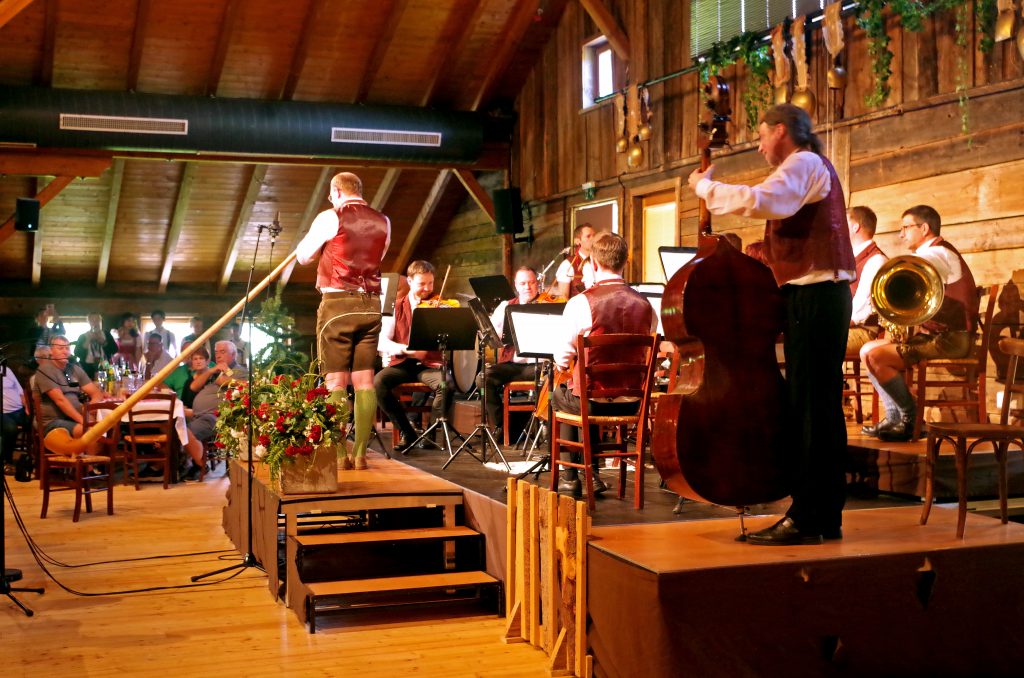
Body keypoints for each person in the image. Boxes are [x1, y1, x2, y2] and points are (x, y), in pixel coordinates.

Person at [688, 103, 855, 545]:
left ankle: (809, 516)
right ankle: (821, 516)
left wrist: (708, 188)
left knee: (812, 409)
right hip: (815, 295)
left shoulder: (802, 162)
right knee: (813, 406)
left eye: (762, 135)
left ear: (782, 130)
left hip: (817, 295)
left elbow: (767, 199)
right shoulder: (807, 166)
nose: (760, 145)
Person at [860, 205, 979, 443]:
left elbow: (926, 264)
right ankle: (893, 417)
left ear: (924, 228)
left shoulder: (939, 254)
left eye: (905, 227)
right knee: (867, 350)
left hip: (952, 339)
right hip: (935, 336)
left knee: (877, 357)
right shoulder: (930, 254)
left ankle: (911, 419)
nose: (901, 234)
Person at [296, 171, 391, 470]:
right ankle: (361, 454)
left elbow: (303, 257)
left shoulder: (330, 216)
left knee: (335, 380)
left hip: (338, 305)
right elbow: (379, 256)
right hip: (371, 304)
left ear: (336, 191)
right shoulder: (383, 221)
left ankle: (339, 455)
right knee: (364, 381)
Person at [551, 233, 657, 498]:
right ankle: (592, 473)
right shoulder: (646, 306)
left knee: (560, 394)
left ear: (594, 264)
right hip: (632, 402)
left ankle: (571, 477)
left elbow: (561, 358)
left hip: (591, 401)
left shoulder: (580, 303)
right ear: (625, 262)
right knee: (575, 392)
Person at [374, 260, 453, 454]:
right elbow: (381, 341)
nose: (427, 289)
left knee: (446, 385)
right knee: (379, 383)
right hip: (403, 365)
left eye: (430, 283)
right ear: (409, 281)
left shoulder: (439, 306)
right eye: (421, 284)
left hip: (429, 365)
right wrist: (406, 350)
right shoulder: (396, 307)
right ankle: (407, 432)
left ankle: (430, 435)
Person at [484, 267, 541, 439]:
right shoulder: (506, 306)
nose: (527, 287)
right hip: (512, 365)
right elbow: (492, 333)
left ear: (537, 284)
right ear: (516, 285)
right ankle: (500, 426)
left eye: (531, 282)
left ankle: (542, 427)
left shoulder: (547, 304)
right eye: (523, 283)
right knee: (484, 377)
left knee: (548, 377)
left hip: (538, 364)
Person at [183, 341, 248, 481]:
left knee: (183, 430)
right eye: (216, 352)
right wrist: (211, 371)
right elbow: (194, 387)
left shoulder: (239, 371)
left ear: (233, 354)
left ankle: (199, 465)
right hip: (198, 415)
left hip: (215, 417)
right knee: (173, 425)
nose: (218, 355)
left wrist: (227, 379)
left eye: (222, 352)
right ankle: (183, 465)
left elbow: (248, 386)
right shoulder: (214, 372)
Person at [33, 335, 107, 438]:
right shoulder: (45, 369)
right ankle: (86, 453)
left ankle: (94, 454)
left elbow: (96, 394)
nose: (65, 351)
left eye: (67, 348)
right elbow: (60, 401)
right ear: (51, 351)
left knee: (104, 428)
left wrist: (88, 409)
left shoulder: (74, 369)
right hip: (52, 422)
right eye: (60, 348)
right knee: (91, 433)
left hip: (74, 417)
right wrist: (84, 421)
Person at [846, 206, 888, 355]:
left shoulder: (876, 260)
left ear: (855, 227)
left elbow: (860, 311)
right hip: (846, 326)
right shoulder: (850, 258)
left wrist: (829, 324)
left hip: (865, 331)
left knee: (814, 341)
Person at [553, 223, 596, 298]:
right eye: (588, 236)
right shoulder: (567, 264)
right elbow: (564, 297)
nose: (593, 239)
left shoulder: (601, 261)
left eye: (594, 236)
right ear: (577, 241)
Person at [74, 313, 118, 379]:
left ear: (101, 321)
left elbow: (115, 350)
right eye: (92, 320)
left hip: (104, 365)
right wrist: (88, 340)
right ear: (88, 322)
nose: (95, 323)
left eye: (97, 320)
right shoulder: (83, 336)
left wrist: (104, 342)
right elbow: (77, 353)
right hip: (87, 366)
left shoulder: (106, 334)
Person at [2, 365, 28, 472]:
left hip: (19, 410)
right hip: (3, 412)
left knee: (36, 423)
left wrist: (27, 407)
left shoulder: (6, 369)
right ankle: (7, 461)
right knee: (10, 429)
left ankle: (36, 460)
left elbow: (20, 391)